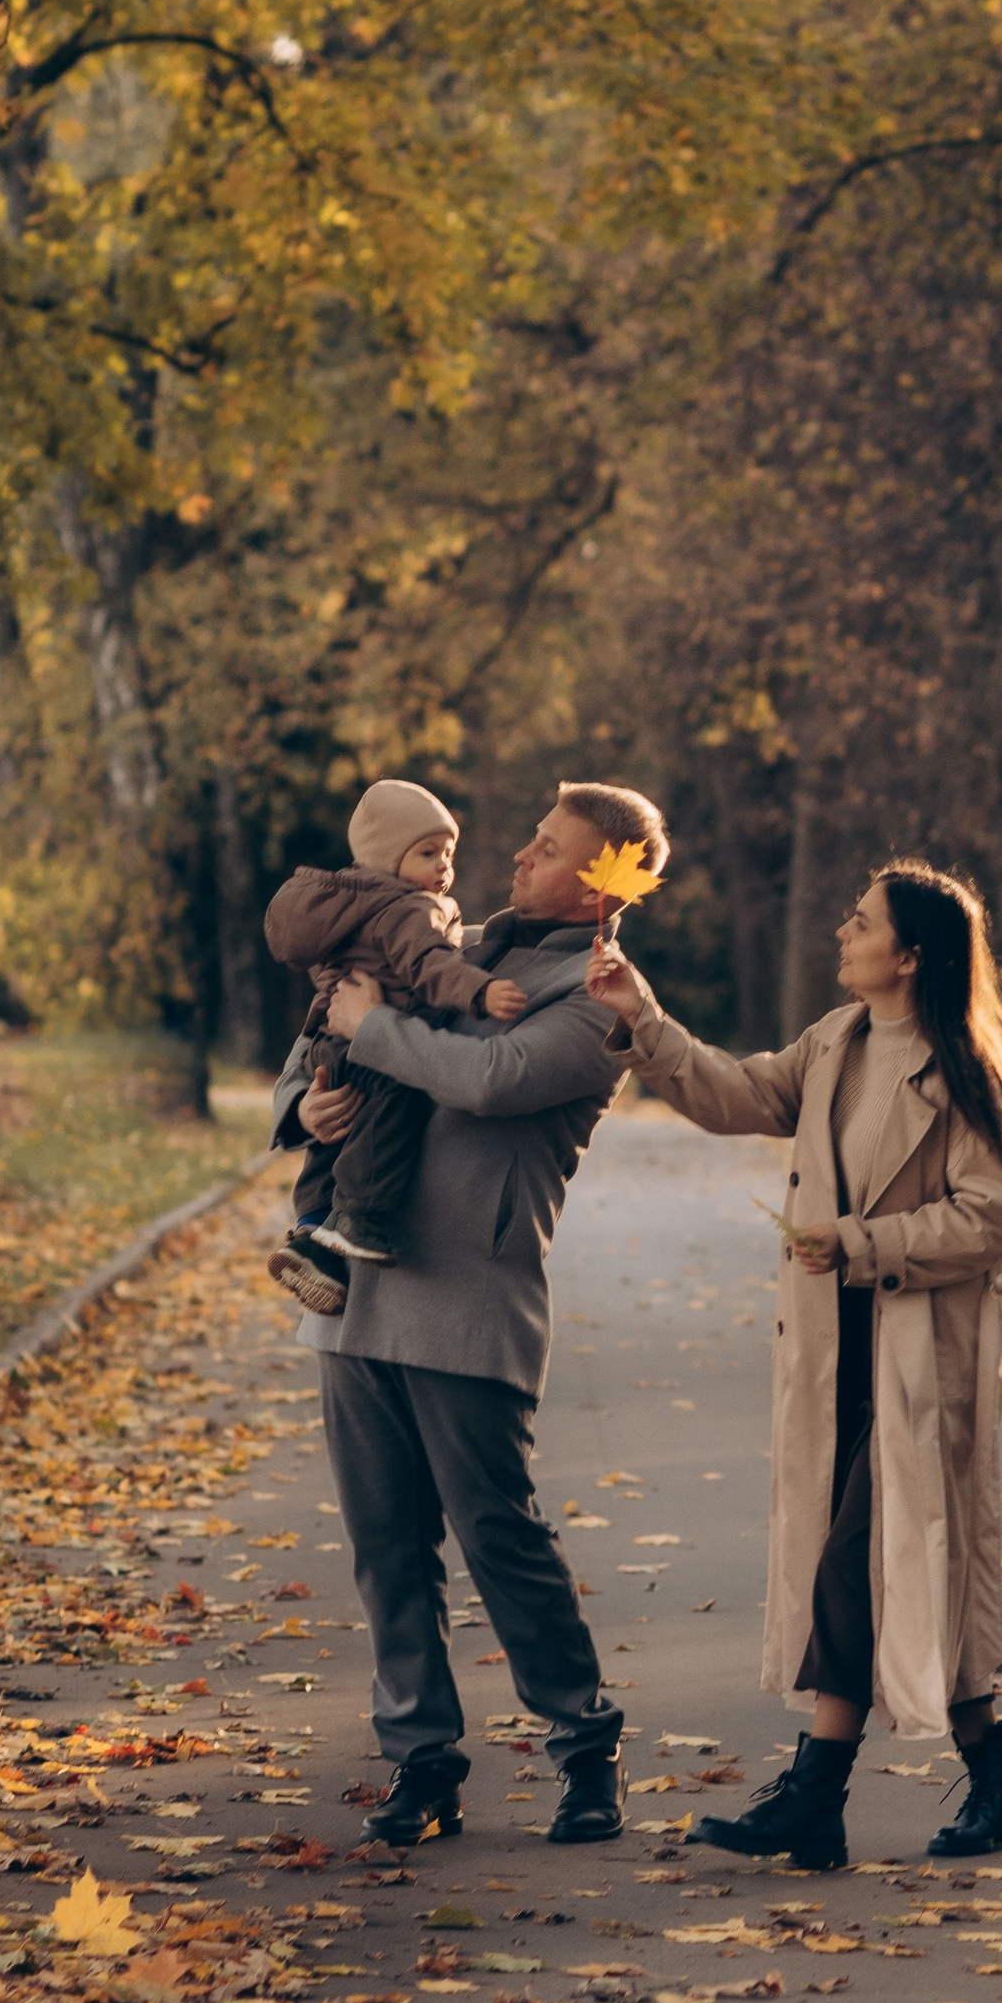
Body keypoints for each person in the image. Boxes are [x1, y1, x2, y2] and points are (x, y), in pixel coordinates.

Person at [586, 857, 1002, 1873]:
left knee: (863, 1564)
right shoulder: (837, 1041)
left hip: (920, 1354)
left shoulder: (960, 1065)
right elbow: (736, 1092)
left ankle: (819, 1795)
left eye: (861, 921)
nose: (843, 932)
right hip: (837, 1345)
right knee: (895, 1565)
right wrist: (643, 1015)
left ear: (909, 954)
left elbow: (991, 1217)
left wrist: (860, 1241)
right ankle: (981, 1792)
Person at [271, 780, 663, 1851]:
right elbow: (321, 1035)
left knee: (499, 1535)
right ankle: (420, 1760)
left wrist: (373, 1026)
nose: (518, 859)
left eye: (546, 849)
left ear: (598, 879)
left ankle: (583, 1744)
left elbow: (487, 1079)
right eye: (529, 841)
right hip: (355, 1293)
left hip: (469, 1298)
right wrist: (303, 1102)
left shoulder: (596, 996)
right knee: (384, 1543)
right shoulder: (449, 940)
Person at [262, 778, 532, 1313]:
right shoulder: (414, 911)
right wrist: (479, 992)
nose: (443, 868)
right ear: (388, 857)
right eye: (428, 853)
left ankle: (313, 1233)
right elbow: (432, 966)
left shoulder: (349, 907)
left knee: (333, 1142)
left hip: (330, 1046)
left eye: (448, 854)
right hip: (368, 1049)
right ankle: (359, 1220)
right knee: (393, 1113)